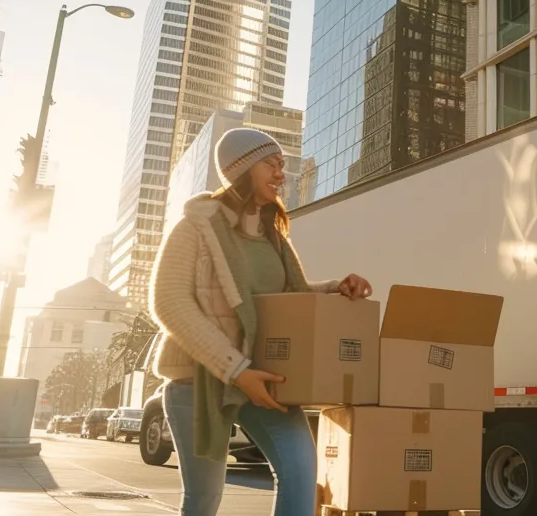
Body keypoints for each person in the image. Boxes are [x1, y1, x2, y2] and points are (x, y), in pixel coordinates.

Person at [149, 128, 372, 516]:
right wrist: (236, 370)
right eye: (271, 163)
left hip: (265, 376)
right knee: (204, 497)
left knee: (301, 470)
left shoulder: (273, 235)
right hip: (197, 380)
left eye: (282, 165)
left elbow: (290, 299)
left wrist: (337, 288)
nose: (281, 173)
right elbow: (168, 302)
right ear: (242, 167)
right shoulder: (195, 227)